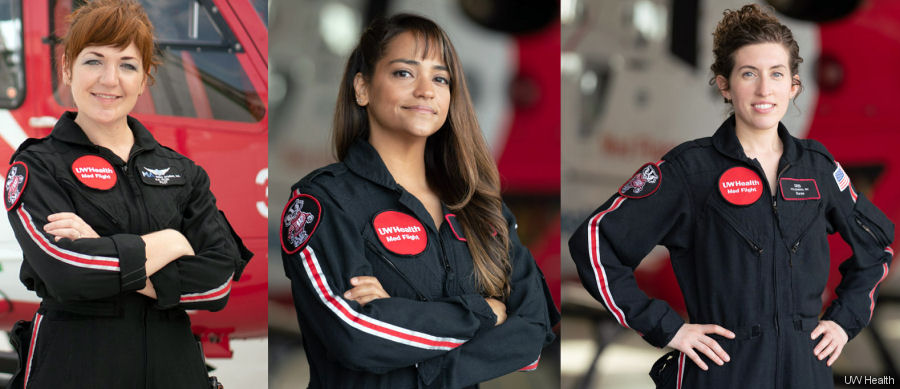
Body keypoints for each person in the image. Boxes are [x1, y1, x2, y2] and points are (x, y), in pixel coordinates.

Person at [568, 4, 893, 389]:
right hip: (722, 371)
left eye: (776, 74)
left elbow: (876, 246)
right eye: (748, 74)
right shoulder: (690, 170)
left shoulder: (817, 168)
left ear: (793, 85)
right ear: (724, 85)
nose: (764, 90)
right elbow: (594, 242)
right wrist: (666, 328)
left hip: (807, 372)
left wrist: (843, 321)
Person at [280, 13, 558, 389]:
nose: (426, 90)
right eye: (404, 73)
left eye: (440, 78)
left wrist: (420, 350)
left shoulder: (479, 207)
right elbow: (355, 334)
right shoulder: (322, 202)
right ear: (362, 88)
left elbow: (533, 331)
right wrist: (485, 312)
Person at [2, 0, 252, 387]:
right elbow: (67, 271)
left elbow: (216, 284)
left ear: (145, 78)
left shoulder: (184, 173)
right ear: (67, 68)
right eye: (93, 61)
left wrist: (103, 250)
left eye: (127, 65)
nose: (109, 79)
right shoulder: (37, 167)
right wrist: (170, 242)